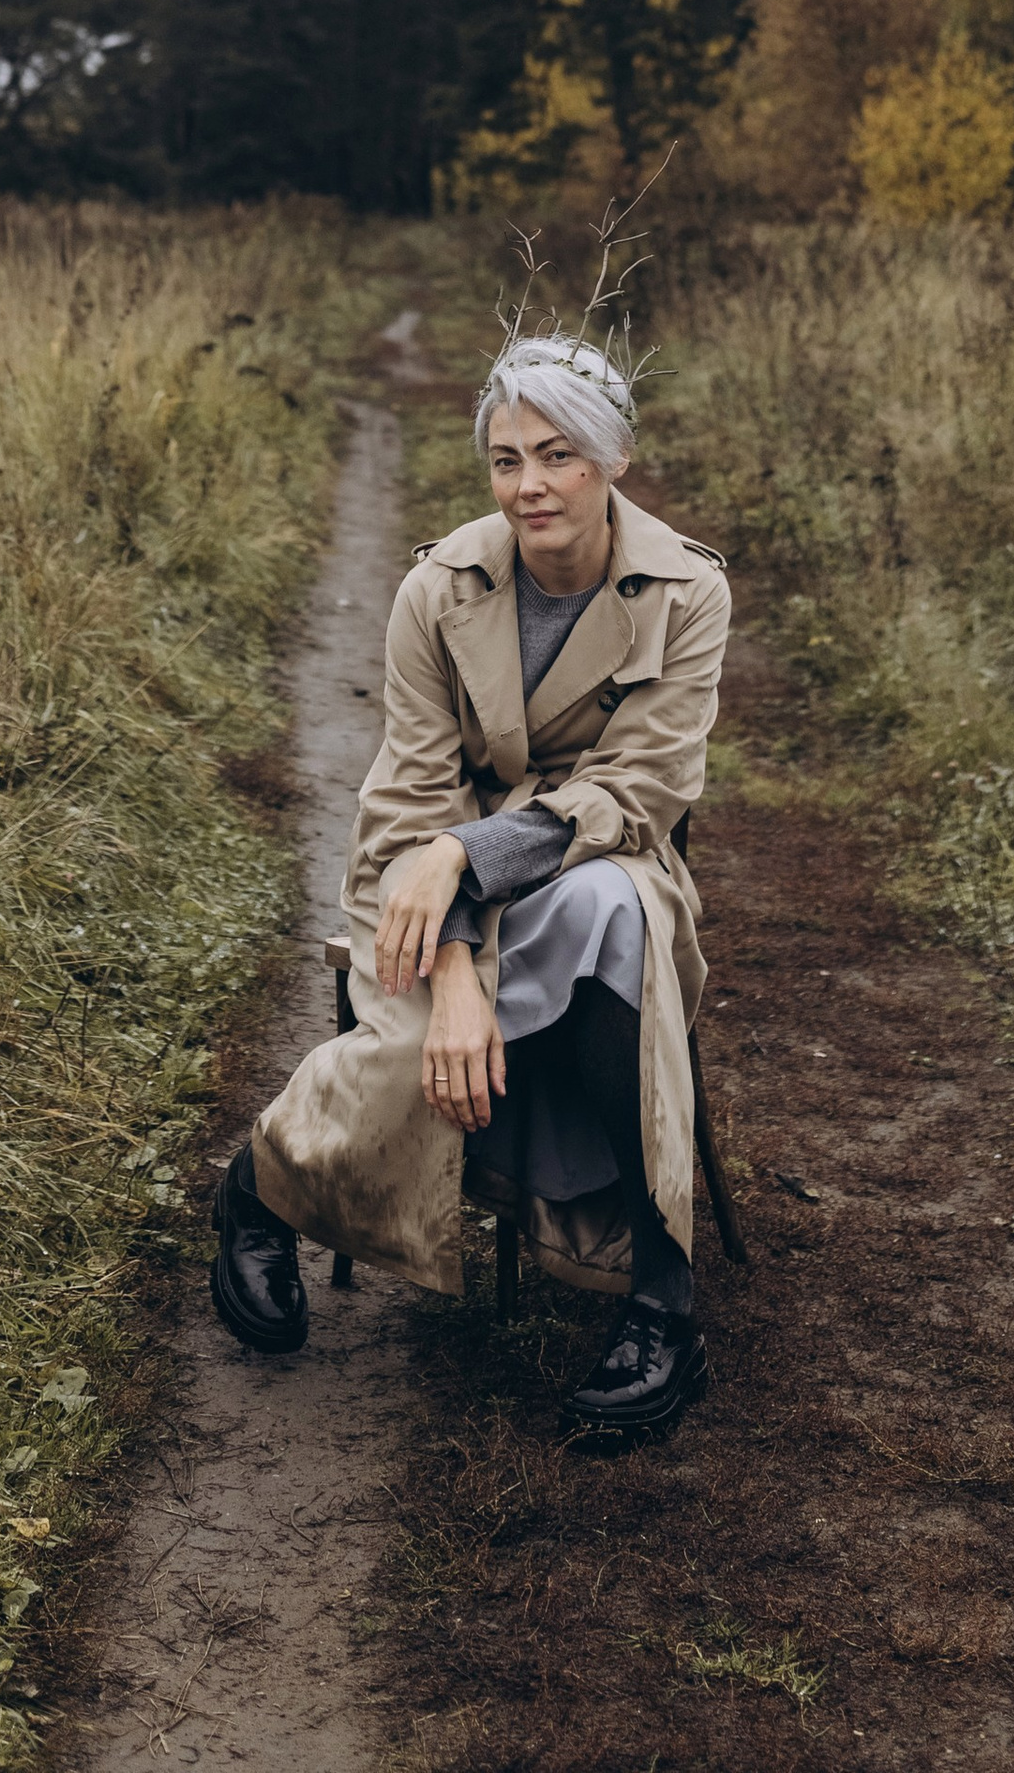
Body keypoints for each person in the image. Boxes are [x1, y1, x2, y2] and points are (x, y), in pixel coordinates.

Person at [209, 333, 731, 1438]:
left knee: (615, 912)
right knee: (417, 1026)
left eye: (558, 455)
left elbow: (639, 788)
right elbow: (410, 796)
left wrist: (469, 855)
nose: (529, 485)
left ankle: (662, 1305)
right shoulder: (436, 589)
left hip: (597, 852)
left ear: (615, 457)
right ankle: (259, 1188)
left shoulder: (687, 591)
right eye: (506, 459)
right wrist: (451, 961)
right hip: (420, 864)